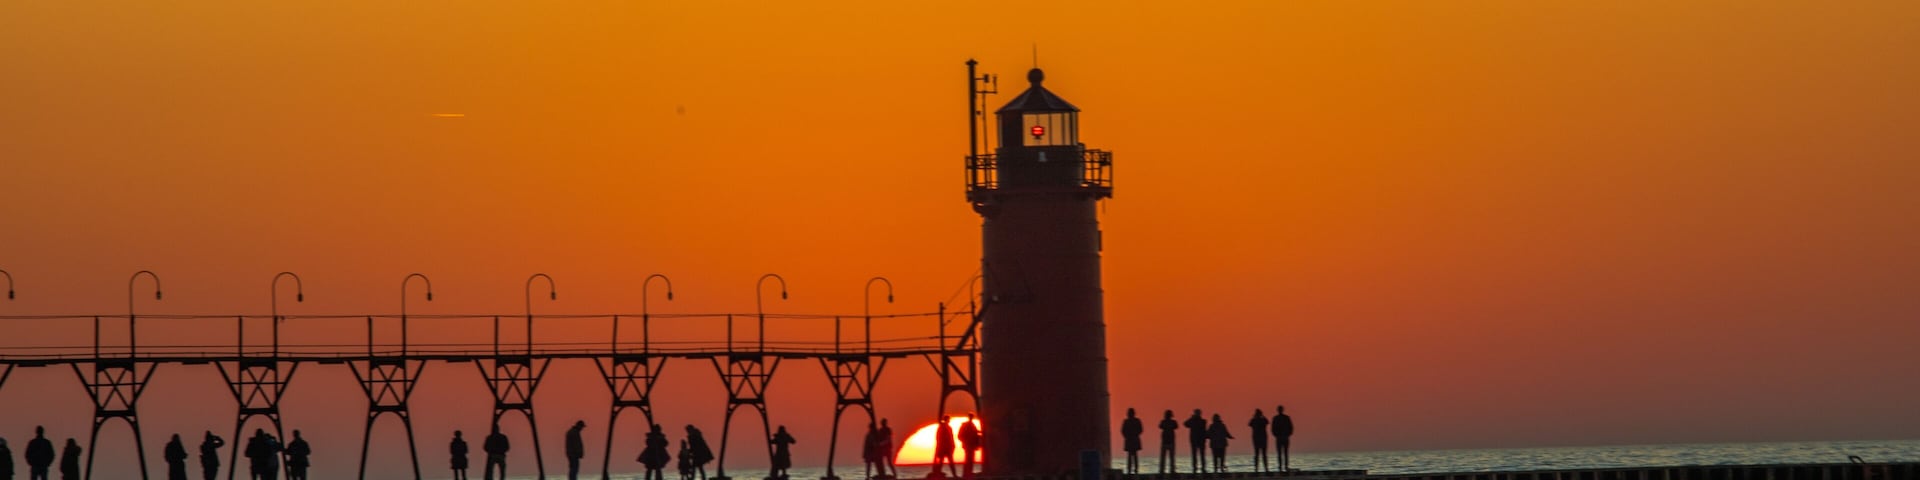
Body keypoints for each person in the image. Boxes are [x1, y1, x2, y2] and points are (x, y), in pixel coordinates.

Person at [1119, 409, 1143, 474]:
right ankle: (1135, 469)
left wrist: (1127, 436)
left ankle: (1130, 470)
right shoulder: (1136, 421)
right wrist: (1135, 434)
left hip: (1130, 440)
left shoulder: (1126, 421)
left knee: (1130, 455)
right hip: (1133, 440)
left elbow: (1123, 431)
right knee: (1134, 455)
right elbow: (1140, 430)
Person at [1272, 405, 1294, 473]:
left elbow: (1291, 427)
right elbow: (1273, 429)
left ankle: (1284, 467)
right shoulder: (1276, 418)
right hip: (1280, 437)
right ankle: (1281, 467)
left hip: (1284, 437)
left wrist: (1288, 434)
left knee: (1284, 453)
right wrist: (1276, 435)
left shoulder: (1285, 418)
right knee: (1282, 453)